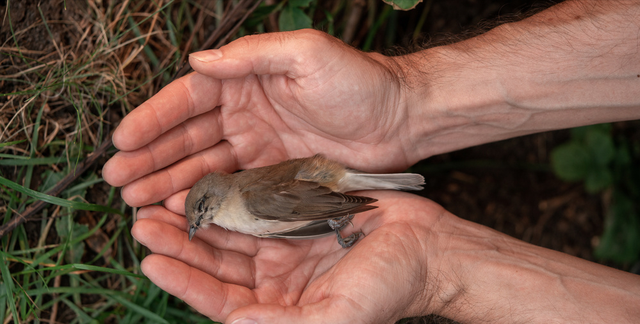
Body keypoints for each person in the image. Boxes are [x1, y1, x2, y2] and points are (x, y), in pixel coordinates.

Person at [102, 0, 640, 323]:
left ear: (215, 196)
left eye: (201, 212)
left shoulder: (248, 200)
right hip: (319, 184)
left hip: (320, 184)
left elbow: (300, 203)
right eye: (198, 218)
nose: (199, 223)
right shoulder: (235, 199)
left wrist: (347, 209)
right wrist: (407, 105)